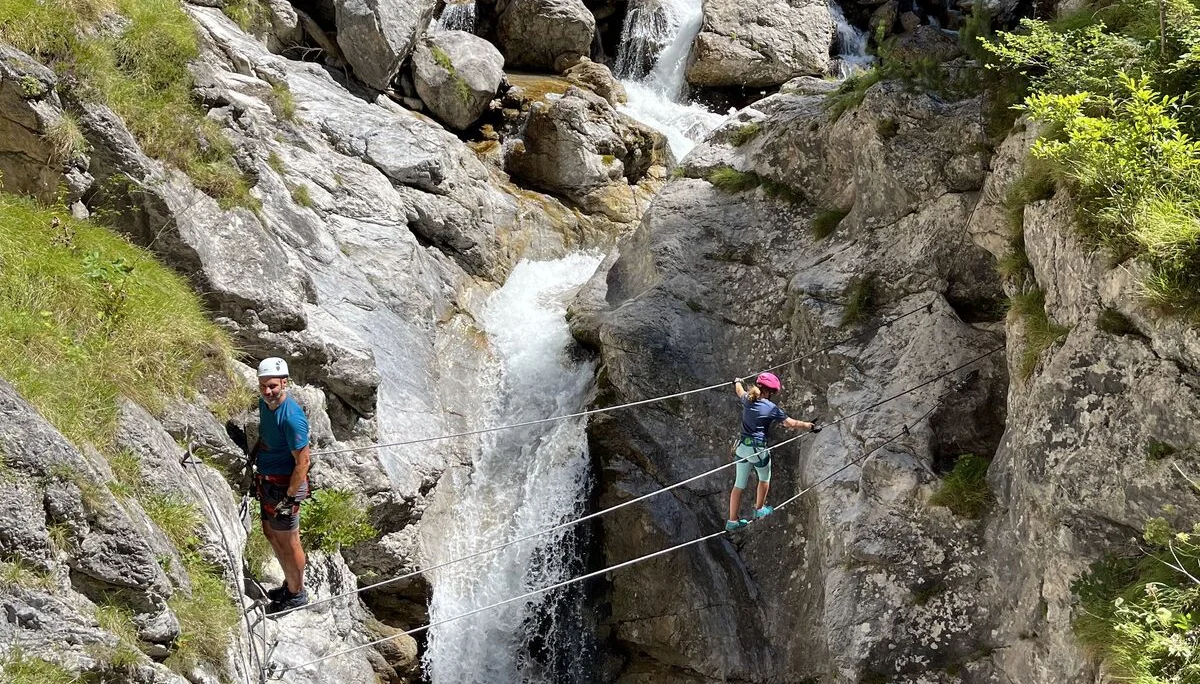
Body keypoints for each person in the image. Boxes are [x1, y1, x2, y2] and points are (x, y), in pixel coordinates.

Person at [252, 357, 312, 613]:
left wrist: (289, 498)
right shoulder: (265, 405)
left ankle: (297, 594)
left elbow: (303, 462)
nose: (268, 391)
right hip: (266, 481)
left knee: (290, 542)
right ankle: (289, 583)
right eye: (264, 385)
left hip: (284, 487)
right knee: (271, 534)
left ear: (284, 382)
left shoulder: (292, 418)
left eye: (273, 385)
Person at [725, 371, 818, 531]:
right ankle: (759, 509)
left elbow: (739, 390)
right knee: (764, 478)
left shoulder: (748, 398)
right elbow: (791, 423)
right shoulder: (771, 407)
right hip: (757, 449)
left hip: (742, 448)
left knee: (738, 485)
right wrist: (809, 426)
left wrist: (737, 381)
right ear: (769, 392)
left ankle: (732, 521)